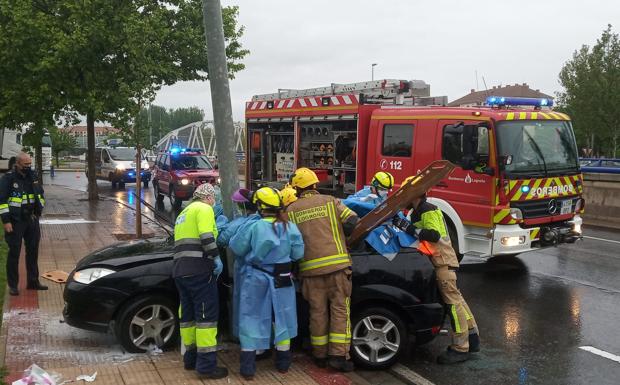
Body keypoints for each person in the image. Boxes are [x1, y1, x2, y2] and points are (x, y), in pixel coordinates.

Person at [392, 189, 480, 364]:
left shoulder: (427, 209)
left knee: (453, 306)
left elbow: (433, 235)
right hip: (443, 262)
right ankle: (472, 338)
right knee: (458, 302)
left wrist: (407, 227)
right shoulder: (419, 211)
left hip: (443, 263)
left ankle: (460, 348)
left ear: (415, 195)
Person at [286, 167, 359, 372]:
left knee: (317, 313)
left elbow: (289, 241)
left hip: (310, 272)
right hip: (337, 268)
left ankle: (319, 354)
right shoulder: (330, 202)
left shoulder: (291, 210)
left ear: (297, 189)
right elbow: (353, 221)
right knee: (340, 310)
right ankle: (338, 356)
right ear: (315, 185)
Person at [229, 187, 304, 380]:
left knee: (251, 318)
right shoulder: (290, 227)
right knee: (283, 318)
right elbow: (298, 254)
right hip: (283, 278)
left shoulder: (254, 226)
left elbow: (237, 247)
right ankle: (283, 363)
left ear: (260, 207)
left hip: (256, 277)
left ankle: (248, 368)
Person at [172, 183, 228, 379]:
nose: (216, 203)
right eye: (216, 199)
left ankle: (191, 359)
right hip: (199, 271)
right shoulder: (204, 209)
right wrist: (216, 258)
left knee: (188, 318)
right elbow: (206, 237)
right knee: (206, 318)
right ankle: (206, 366)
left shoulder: (183, 213)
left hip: (180, 272)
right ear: (209, 197)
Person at [215, 188, 260, 341]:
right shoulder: (274, 223)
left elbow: (221, 240)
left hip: (245, 272)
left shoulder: (240, 224)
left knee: (245, 308)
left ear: (242, 206)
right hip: (270, 273)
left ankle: (244, 339)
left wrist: (221, 223)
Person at [0, 152, 47, 296]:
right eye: (25, 164)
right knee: (14, 253)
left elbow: (40, 195)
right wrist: (6, 221)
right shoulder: (8, 179)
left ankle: (33, 282)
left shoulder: (33, 177)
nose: (28, 167)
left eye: (29, 164)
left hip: (31, 219)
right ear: (17, 164)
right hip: (15, 221)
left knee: (33, 251)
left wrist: (39, 210)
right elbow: (2, 201)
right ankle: (13, 285)